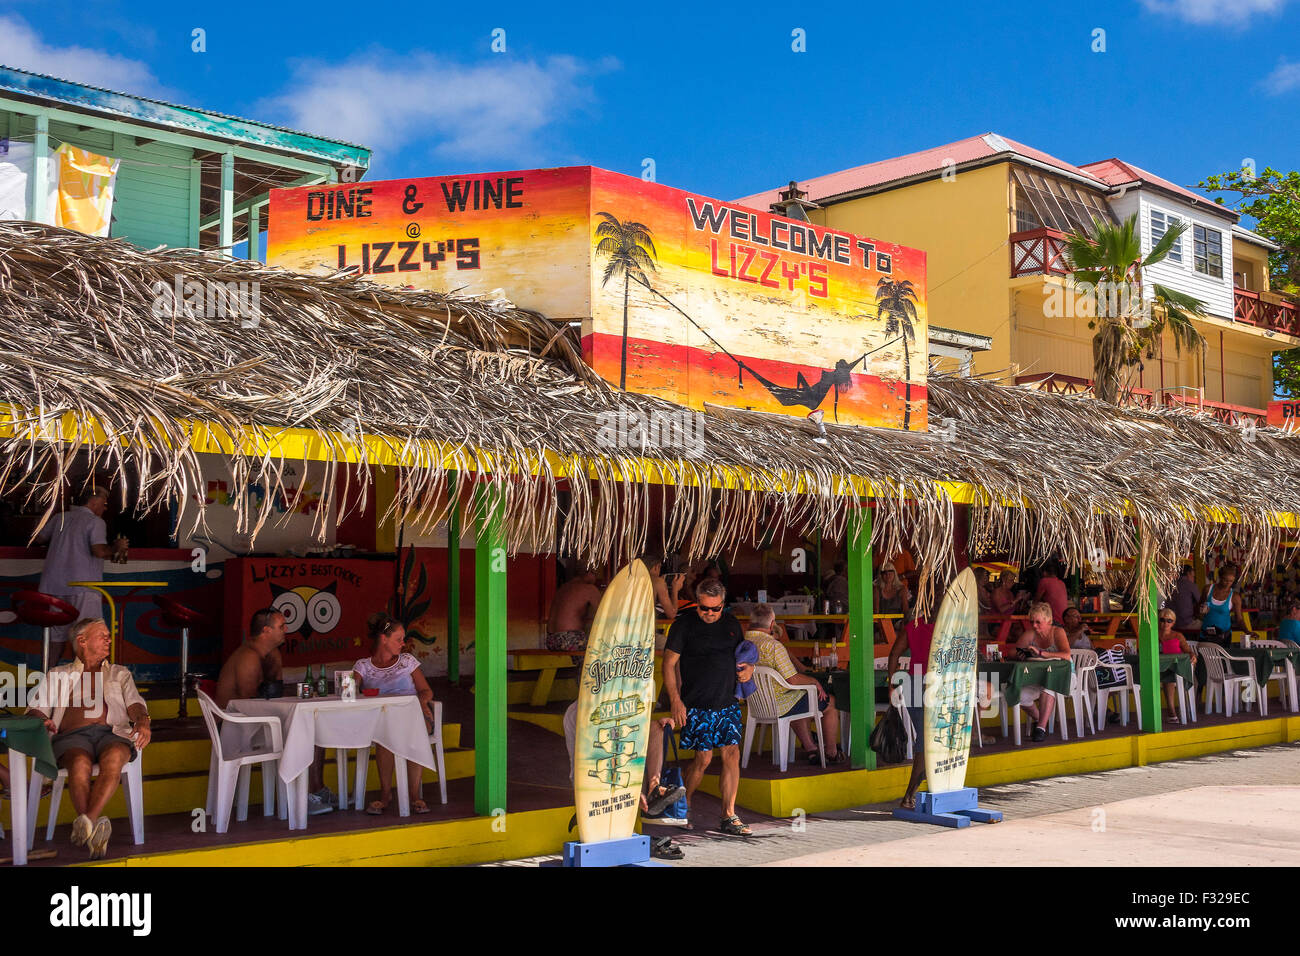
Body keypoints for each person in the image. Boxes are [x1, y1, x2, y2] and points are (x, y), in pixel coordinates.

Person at [26, 618, 150, 859]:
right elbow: (37, 709)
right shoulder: (58, 674)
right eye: (102, 635)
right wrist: (40, 720)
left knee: (114, 757)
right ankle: (93, 829)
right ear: (82, 641)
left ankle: (88, 822)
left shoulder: (119, 673)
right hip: (72, 737)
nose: (109, 639)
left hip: (112, 733)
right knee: (79, 763)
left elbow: (135, 703)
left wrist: (143, 720)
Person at [662, 577, 752, 836]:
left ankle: (729, 814)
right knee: (702, 759)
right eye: (704, 608)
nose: (710, 614)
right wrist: (676, 700)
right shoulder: (684, 625)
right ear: (697, 603)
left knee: (731, 755)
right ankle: (684, 804)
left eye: (716, 608)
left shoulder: (733, 625)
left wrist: (750, 669)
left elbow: (742, 658)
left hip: (727, 702)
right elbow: (668, 665)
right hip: (697, 704)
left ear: (723, 604)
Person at [354, 612, 437, 815]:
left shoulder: (407, 661)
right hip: (381, 721)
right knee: (384, 736)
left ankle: (415, 795)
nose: (403, 644)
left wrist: (422, 702)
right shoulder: (363, 666)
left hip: (412, 716)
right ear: (384, 639)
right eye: (398, 639)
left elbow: (426, 691)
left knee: (411, 732)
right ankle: (385, 794)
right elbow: (350, 694)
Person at [34, 489, 128, 666]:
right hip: (83, 587)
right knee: (90, 637)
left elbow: (38, 538)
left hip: (54, 587)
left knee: (56, 637)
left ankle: (47, 680)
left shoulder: (60, 518)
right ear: (93, 501)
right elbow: (99, 551)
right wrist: (116, 547)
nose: (105, 508)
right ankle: (89, 685)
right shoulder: (95, 522)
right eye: (104, 503)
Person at [745, 604, 844, 764]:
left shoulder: (745, 641)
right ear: (772, 624)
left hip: (757, 704)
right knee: (830, 703)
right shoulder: (773, 646)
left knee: (799, 697)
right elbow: (793, 679)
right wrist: (815, 682)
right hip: (781, 704)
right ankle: (831, 752)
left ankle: (812, 749)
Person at [1013, 602, 1071, 742]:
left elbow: (1066, 654)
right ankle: (1040, 719)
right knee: (1017, 694)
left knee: (1049, 686)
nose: (1034, 625)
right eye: (1032, 622)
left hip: (1064, 675)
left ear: (1049, 621)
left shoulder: (1058, 632)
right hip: (1038, 676)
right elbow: (1013, 651)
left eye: (1038, 622)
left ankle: (1041, 729)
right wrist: (1020, 655)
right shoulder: (1030, 634)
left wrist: (1041, 653)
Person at [214, 608, 286, 708]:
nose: (286, 630)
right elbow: (248, 703)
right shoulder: (248, 657)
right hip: (231, 720)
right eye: (281, 627)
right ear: (266, 631)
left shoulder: (274, 653)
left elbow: (277, 694)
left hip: (260, 716)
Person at [545, 567, 603, 654]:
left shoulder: (563, 587)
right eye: (595, 574)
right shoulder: (589, 589)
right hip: (569, 640)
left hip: (551, 640)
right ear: (589, 572)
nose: (596, 578)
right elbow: (604, 614)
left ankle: (576, 667)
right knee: (604, 647)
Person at [1157, 609, 1197, 723]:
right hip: (1158, 667)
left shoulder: (1177, 635)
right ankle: (1170, 711)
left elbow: (1188, 650)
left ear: (1173, 623)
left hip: (1176, 668)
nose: (1165, 623)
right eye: (1162, 620)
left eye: (1169, 620)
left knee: (1169, 675)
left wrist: (1192, 656)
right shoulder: (1153, 635)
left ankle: (1171, 711)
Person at [1200, 564, 1246, 648]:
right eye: (1225, 580)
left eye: (1231, 581)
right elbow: (1198, 609)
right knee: (1205, 660)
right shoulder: (1207, 589)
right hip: (1206, 635)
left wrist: (1247, 631)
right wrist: (1202, 612)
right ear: (1220, 577)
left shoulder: (1235, 597)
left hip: (1224, 637)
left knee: (1222, 661)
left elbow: (1239, 619)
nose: (1228, 583)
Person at [643, 553, 687, 623]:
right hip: (645, 624)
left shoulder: (633, 579)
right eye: (660, 567)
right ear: (656, 567)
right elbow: (671, 614)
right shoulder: (658, 581)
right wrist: (675, 589)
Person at [1171, 565, 1202, 634]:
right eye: (1193, 577)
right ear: (1188, 574)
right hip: (1186, 623)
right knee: (1206, 626)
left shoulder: (1172, 585)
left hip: (1172, 624)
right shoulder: (1190, 585)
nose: (1193, 579)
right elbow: (1201, 601)